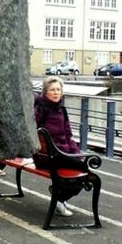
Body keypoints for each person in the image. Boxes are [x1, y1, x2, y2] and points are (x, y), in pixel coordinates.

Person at [33, 76, 80, 216]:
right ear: (45, 92)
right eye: (52, 90)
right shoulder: (41, 109)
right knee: (84, 173)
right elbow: (33, 129)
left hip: (58, 154)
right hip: (48, 157)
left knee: (81, 166)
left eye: (58, 89)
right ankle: (59, 199)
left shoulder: (62, 110)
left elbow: (68, 135)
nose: (56, 92)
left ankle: (59, 195)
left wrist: (76, 153)